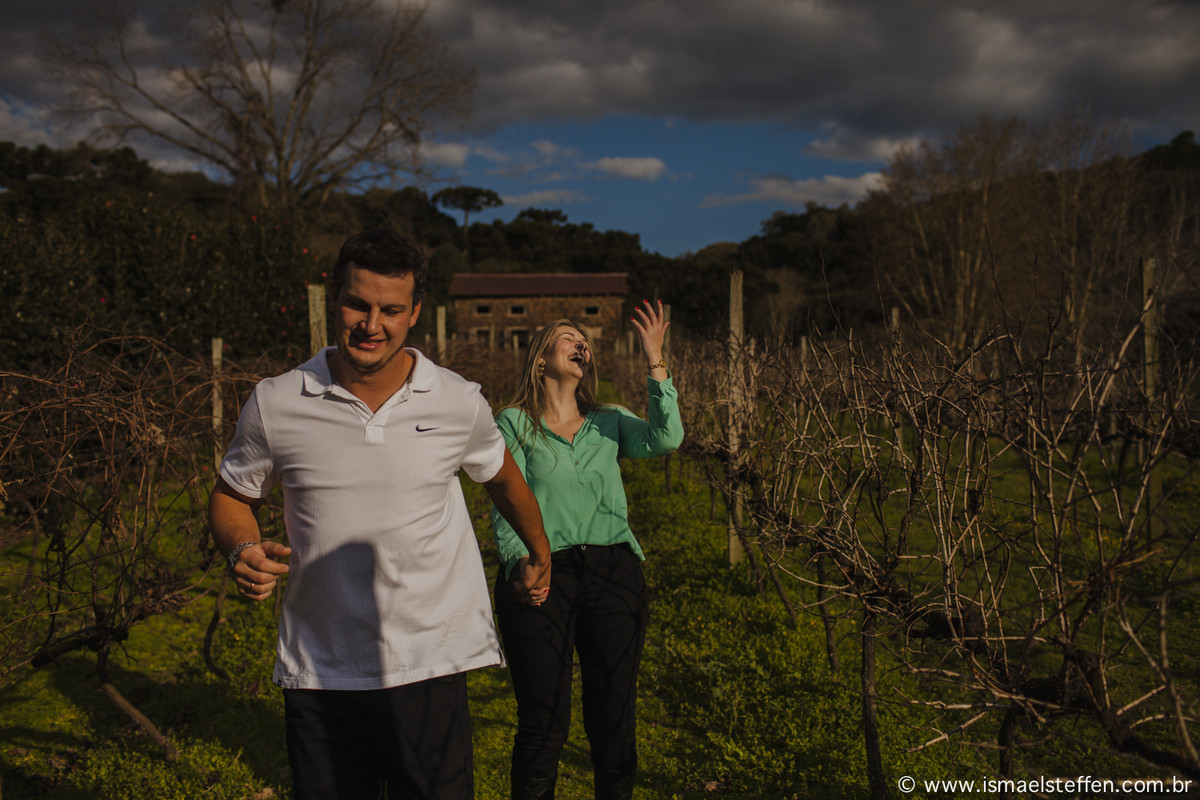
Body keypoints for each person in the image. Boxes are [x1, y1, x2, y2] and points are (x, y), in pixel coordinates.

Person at [208, 228, 552, 800]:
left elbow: (502, 478)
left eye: (391, 310)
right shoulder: (277, 401)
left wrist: (539, 550)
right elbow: (231, 495)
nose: (372, 325)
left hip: (430, 661)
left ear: (414, 313)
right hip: (321, 670)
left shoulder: (457, 400)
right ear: (333, 299)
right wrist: (241, 548)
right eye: (358, 305)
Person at [490, 301, 684, 800]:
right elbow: (505, 498)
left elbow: (667, 439)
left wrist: (655, 359)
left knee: (613, 714)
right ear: (541, 358)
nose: (582, 345)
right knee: (543, 719)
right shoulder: (513, 421)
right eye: (569, 338)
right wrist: (521, 562)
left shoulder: (609, 420)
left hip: (612, 570)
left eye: (585, 342)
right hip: (542, 569)